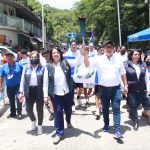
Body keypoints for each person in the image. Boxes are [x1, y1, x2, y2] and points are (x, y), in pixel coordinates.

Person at [83, 40, 128, 139]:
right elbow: (87, 65)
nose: (109, 48)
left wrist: (125, 85)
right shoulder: (98, 59)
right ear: (103, 48)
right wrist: (85, 55)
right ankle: (106, 124)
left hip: (116, 88)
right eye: (107, 47)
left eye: (111, 47)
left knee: (116, 108)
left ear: (114, 48)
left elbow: (123, 73)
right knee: (105, 108)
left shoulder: (118, 59)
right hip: (103, 88)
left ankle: (117, 129)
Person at [43, 47, 84, 144]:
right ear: (51, 55)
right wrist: (45, 95)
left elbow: (76, 62)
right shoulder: (48, 66)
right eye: (53, 53)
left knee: (68, 109)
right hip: (55, 94)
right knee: (58, 112)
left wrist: (81, 53)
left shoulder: (65, 62)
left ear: (60, 54)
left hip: (67, 92)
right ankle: (59, 133)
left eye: (57, 52)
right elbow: (45, 82)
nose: (55, 54)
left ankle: (68, 120)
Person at [19, 51, 44, 135]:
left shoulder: (42, 67)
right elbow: (23, 80)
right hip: (29, 90)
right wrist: (21, 92)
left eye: (35, 57)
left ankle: (40, 125)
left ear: (38, 58)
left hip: (39, 90)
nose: (34, 59)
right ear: (30, 58)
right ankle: (33, 120)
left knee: (39, 109)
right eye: (32, 57)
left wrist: (46, 94)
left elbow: (46, 82)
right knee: (28, 109)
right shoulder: (26, 67)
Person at [124, 49, 150, 130]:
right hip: (131, 89)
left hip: (142, 88)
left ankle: (148, 116)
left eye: (138, 54)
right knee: (133, 105)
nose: (137, 56)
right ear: (131, 55)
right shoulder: (126, 65)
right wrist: (124, 88)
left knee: (147, 103)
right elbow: (122, 77)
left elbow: (146, 77)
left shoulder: (143, 64)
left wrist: (148, 88)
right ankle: (135, 120)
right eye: (135, 54)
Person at [0, 51, 23, 119]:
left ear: (14, 57)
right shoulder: (3, 67)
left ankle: (19, 113)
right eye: (7, 56)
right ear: (6, 57)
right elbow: (1, 76)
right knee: (11, 100)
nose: (9, 58)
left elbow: (23, 76)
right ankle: (13, 113)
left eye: (11, 56)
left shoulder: (19, 65)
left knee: (18, 98)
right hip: (9, 87)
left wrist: (24, 86)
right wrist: (0, 85)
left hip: (18, 86)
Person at [63, 41, 83, 108]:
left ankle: (78, 97)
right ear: (70, 46)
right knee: (71, 90)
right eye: (72, 45)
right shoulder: (66, 54)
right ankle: (73, 103)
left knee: (81, 88)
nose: (73, 46)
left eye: (74, 44)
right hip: (71, 75)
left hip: (79, 74)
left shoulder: (79, 53)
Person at [41, 49, 54, 121]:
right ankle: (52, 112)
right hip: (45, 83)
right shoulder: (43, 63)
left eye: (47, 55)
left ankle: (54, 112)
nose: (46, 57)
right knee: (48, 99)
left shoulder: (54, 61)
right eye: (44, 56)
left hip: (54, 83)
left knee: (52, 99)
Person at [142, 52, 150, 124]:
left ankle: (145, 112)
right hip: (145, 89)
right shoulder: (143, 69)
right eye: (147, 59)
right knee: (148, 101)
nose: (148, 61)